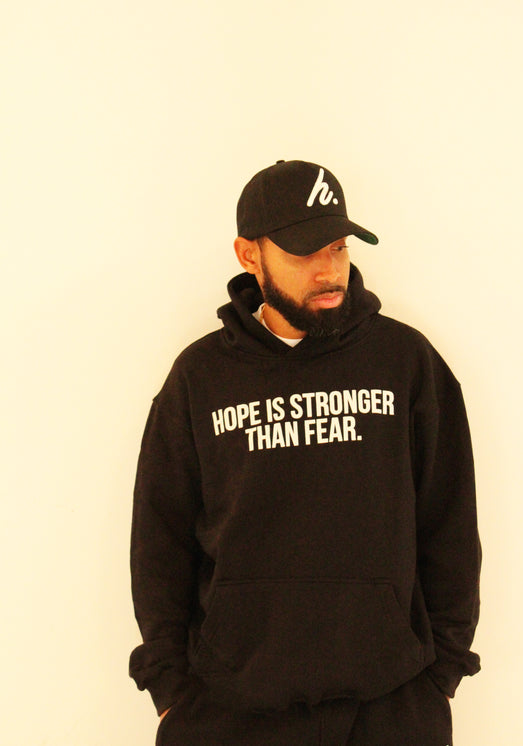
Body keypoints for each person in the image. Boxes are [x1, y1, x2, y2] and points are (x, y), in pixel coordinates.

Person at [129, 159, 481, 745]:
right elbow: (159, 541)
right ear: (249, 255)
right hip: (229, 712)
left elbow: (451, 526)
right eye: (304, 252)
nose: (329, 270)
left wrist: (441, 675)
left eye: (338, 247)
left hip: (390, 708)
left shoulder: (405, 363)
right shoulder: (200, 378)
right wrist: (170, 690)